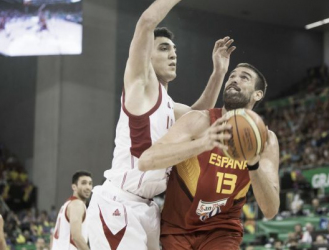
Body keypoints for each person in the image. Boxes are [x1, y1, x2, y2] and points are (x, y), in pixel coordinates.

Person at [87, 0, 236, 248]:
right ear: (147, 55)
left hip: (149, 207)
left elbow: (197, 116)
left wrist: (218, 72)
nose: (173, 54)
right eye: (164, 48)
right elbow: (146, 21)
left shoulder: (169, 105)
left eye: (174, 50)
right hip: (119, 203)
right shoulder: (140, 85)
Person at [139, 63, 280, 249]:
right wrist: (202, 144)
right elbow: (146, 160)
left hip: (221, 230)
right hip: (177, 227)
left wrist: (254, 164)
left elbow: (270, 210)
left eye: (244, 77)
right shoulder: (198, 120)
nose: (234, 79)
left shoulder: (266, 140)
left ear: (258, 94)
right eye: (232, 76)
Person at [51, 171, 93, 250]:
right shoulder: (77, 205)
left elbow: (52, 237)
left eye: (90, 183)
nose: (88, 187)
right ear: (74, 187)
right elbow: (76, 237)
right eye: (84, 183)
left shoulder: (66, 205)